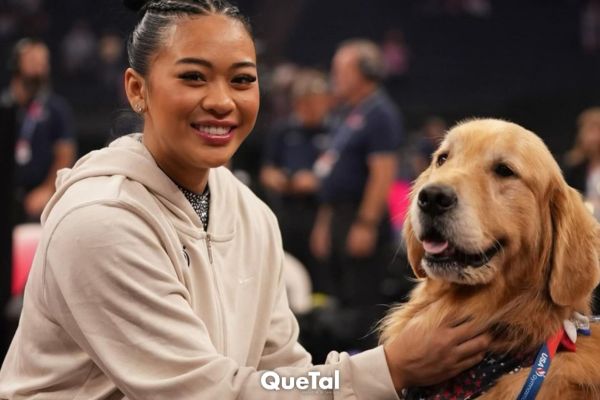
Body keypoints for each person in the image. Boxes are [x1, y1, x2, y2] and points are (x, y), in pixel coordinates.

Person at [0, 1, 490, 398]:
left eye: (241, 79)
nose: (222, 100)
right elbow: (210, 394)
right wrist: (387, 368)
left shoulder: (250, 214)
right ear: (137, 90)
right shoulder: (99, 222)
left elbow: (279, 376)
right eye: (193, 76)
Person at [310, 39, 403, 350]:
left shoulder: (381, 113)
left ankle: (368, 378)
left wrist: (365, 223)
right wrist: (325, 223)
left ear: (364, 72)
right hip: (337, 213)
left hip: (361, 214)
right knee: (340, 296)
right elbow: (330, 171)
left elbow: (382, 173)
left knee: (363, 300)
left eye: (341, 69)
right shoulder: (344, 114)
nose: (334, 75)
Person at [260, 68, 331, 292]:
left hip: (318, 213)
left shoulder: (334, 131)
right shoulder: (283, 131)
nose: (308, 108)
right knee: (284, 271)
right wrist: (279, 179)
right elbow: (266, 171)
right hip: (286, 212)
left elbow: (340, 177)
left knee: (320, 277)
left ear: (326, 102)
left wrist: (315, 181)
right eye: (303, 103)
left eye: (314, 102)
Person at [2, 38, 76, 224]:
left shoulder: (56, 108)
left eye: (44, 62)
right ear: (16, 64)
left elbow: (65, 154)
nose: (40, 68)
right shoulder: (4, 106)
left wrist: (47, 189)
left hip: (39, 196)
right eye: (33, 61)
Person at [562, 106, 600, 314]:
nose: (593, 136)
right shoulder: (572, 168)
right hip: (583, 238)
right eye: (589, 130)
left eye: (597, 129)